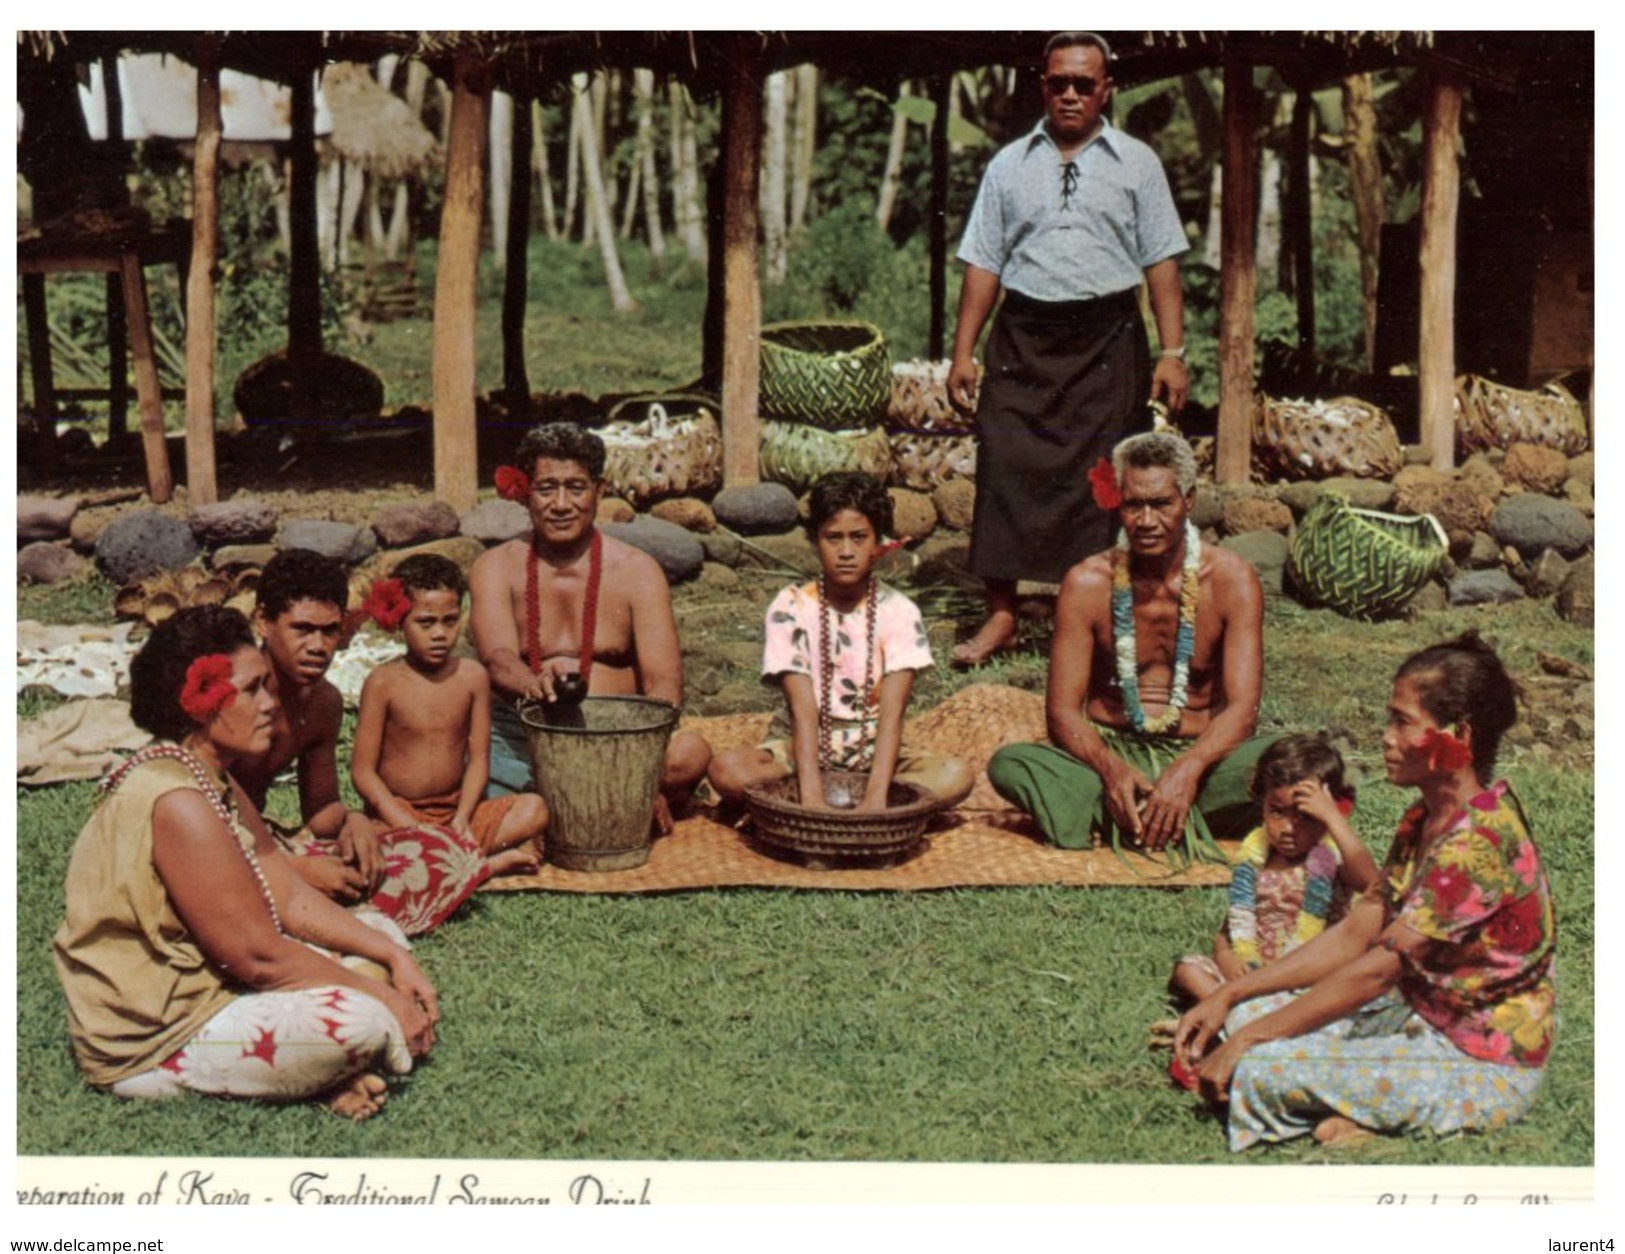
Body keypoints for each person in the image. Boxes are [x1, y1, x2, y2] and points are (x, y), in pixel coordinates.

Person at [53, 606, 437, 1121]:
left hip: (210, 982)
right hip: (153, 1028)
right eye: (252, 690)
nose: (270, 704)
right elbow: (258, 957)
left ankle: (306, 1076)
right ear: (200, 704)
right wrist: (383, 997)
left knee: (377, 929)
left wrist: (396, 960)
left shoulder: (206, 773)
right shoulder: (177, 800)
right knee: (360, 1021)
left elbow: (291, 896)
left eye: (266, 686)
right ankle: (179, 1076)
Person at [1174, 634, 1555, 1150]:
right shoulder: (1424, 817)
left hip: (1475, 1061)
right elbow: (1360, 929)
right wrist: (1231, 992)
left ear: (1458, 735)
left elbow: (1379, 969)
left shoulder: (1479, 844)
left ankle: (1369, 1116)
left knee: (1259, 1064)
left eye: (1402, 722)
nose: (1386, 738)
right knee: (1248, 1015)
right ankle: (1352, 1112)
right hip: (1413, 1015)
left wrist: (1247, 1040)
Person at [947, 30, 1190, 667]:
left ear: (1107, 87)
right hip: (1023, 337)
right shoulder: (1008, 165)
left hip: (1109, 339)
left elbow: (1162, 261)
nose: (1072, 95)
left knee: (1105, 478)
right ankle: (1000, 613)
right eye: (1060, 83)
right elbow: (982, 264)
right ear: (1043, 87)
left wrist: (1173, 352)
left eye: (1086, 83)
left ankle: (1091, 618)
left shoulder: (1138, 163)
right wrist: (963, 352)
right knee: (1003, 456)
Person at [987, 431, 1276, 853]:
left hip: (1202, 756)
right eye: (1132, 505)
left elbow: (1242, 711)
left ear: (1189, 501)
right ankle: (1167, 816)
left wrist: (1188, 770)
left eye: (1161, 504)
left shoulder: (1233, 580)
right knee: (1010, 764)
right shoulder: (1087, 582)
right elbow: (1062, 713)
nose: (1145, 521)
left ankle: (1127, 818)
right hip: (1112, 750)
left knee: (1291, 759)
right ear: (1117, 501)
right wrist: (1110, 770)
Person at [237, 548, 489, 936]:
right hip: (207, 843)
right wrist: (290, 868)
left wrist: (354, 821)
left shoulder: (324, 702)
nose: (319, 646)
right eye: (302, 629)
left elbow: (320, 810)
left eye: (329, 630)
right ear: (262, 621)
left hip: (259, 840)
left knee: (403, 857)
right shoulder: (236, 694)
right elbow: (191, 808)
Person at [470, 422, 711, 825]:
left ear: (599, 492)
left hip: (621, 739)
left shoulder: (637, 570)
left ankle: (610, 796)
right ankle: (593, 804)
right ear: (525, 492)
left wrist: (641, 769)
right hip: (526, 737)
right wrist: (534, 684)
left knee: (690, 755)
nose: (561, 504)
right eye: (546, 488)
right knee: (451, 760)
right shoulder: (495, 567)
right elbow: (496, 658)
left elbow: (664, 684)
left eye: (576, 488)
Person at [707, 472, 974, 812]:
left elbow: (893, 715)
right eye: (833, 538)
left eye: (859, 537)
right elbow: (803, 712)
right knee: (727, 770)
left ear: (878, 543)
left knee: (955, 775)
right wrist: (813, 801)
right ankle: (828, 799)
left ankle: (831, 801)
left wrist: (875, 800)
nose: (846, 551)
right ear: (815, 540)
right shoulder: (790, 605)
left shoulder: (900, 611)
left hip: (877, 747)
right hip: (801, 744)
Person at [351, 554, 549, 879]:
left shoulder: (472, 677)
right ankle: (482, 865)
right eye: (425, 622)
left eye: (450, 620)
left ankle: (445, 860)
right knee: (371, 848)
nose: (440, 634)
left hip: (456, 810)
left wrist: (462, 816)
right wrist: (407, 824)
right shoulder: (383, 682)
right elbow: (363, 772)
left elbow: (479, 759)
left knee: (534, 809)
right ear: (400, 621)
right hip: (398, 814)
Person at [1169, 734, 1379, 1006]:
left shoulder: (1332, 858)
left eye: (1305, 815)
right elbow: (1227, 930)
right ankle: (1233, 1012)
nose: (1289, 828)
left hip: (1309, 975)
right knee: (1188, 970)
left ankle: (1234, 1016)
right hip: (1252, 971)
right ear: (1262, 804)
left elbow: (1372, 883)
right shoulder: (1255, 857)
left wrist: (1332, 818)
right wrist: (1228, 959)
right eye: (1277, 812)